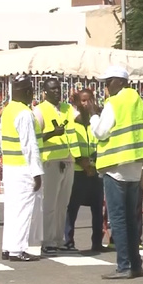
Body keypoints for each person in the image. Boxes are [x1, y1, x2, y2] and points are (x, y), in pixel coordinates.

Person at [87, 66, 143, 279]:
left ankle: (124, 266)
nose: (105, 87)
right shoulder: (138, 101)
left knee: (118, 220)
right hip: (133, 166)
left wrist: (94, 116)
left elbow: (100, 132)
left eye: (108, 82)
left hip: (115, 168)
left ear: (120, 82)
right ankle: (136, 264)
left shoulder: (114, 102)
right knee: (131, 219)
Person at [33, 78, 80, 255]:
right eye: (52, 89)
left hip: (68, 161)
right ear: (44, 92)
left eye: (58, 89)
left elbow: (82, 119)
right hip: (51, 162)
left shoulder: (67, 108)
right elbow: (35, 138)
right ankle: (47, 241)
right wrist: (53, 133)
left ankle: (59, 239)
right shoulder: (39, 110)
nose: (56, 92)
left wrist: (80, 104)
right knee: (50, 204)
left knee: (63, 205)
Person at [0, 75, 43, 262]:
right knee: (24, 210)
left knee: (11, 210)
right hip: (23, 168)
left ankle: (8, 248)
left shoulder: (8, 110)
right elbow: (29, 145)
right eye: (31, 91)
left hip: (9, 167)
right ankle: (18, 250)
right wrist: (37, 173)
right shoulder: (24, 113)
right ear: (27, 92)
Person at [64, 89, 105, 252]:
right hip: (78, 171)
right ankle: (68, 242)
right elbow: (71, 145)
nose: (86, 104)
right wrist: (83, 163)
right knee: (72, 208)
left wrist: (92, 164)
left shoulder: (97, 123)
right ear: (77, 103)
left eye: (89, 100)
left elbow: (102, 145)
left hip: (95, 172)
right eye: (83, 101)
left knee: (97, 210)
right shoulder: (72, 124)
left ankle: (97, 242)